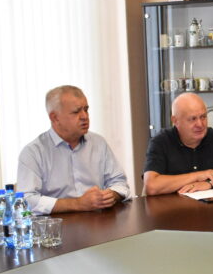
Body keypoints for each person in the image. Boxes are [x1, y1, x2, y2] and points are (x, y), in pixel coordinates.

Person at [17, 85, 130, 214]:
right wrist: (78, 204)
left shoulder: (98, 143)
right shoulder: (33, 152)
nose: (84, 116)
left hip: (98, 220)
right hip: (56, 224)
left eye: (86, 109)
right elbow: (27, 200)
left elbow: (120, 183)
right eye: (76, 112)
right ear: (55, 117)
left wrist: (110, 195)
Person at [143, 93, 213, 195]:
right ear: (175, 121)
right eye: (192, 119)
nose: (200, 124)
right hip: (173, 210)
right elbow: (151, 186)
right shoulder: (161, 142)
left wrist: (210, 183)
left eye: (203, 117)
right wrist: (198, 176)